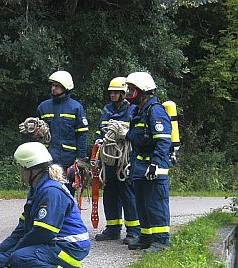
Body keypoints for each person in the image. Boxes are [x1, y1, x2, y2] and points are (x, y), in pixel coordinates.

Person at [0, 142, 90, 268]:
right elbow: (23, 228)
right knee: (15, 254)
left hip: (70, 247)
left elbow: (43, 232)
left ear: (32, 170)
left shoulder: (50, 191)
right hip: (60, 243)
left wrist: (11, 254)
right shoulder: (38, 188)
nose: (20, 172)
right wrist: (1, 249)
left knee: (21, 257)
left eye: (22, 168)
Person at [125, 72, 172, 253]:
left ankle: (161, 241)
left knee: (155, 203)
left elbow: (163, 141)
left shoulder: (155, 111)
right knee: (142, 204)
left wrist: (155, 164)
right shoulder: (138, 111)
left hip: (154, 166)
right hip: (139, 165)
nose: (129, 93)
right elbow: (136, 140)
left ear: (142, 91)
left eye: (132, 89)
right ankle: (146, 237)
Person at [94, 77, 140, 246]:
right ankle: (113, 229)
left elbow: (135, 133)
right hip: (108, 159)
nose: (113, 95)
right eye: (111, 92)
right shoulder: (107, 110)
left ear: (124, 93)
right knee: (110, 193)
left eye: (116, 92)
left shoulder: (133, 110)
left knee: (127, 193)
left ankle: (134, 230)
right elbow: (100, 130)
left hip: (125, 159)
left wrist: (123, 134)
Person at [36, 70, 89, 195]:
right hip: (47, 159)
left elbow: (82, 134)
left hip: (68, 160)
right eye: (53, 85)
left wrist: (80, 158)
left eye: (57, 86)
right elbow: (36, 135)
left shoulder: (76, 107)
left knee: (67, 194)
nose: (54, 88)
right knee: (48, 192)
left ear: (66, 87)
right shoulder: (43, 107)